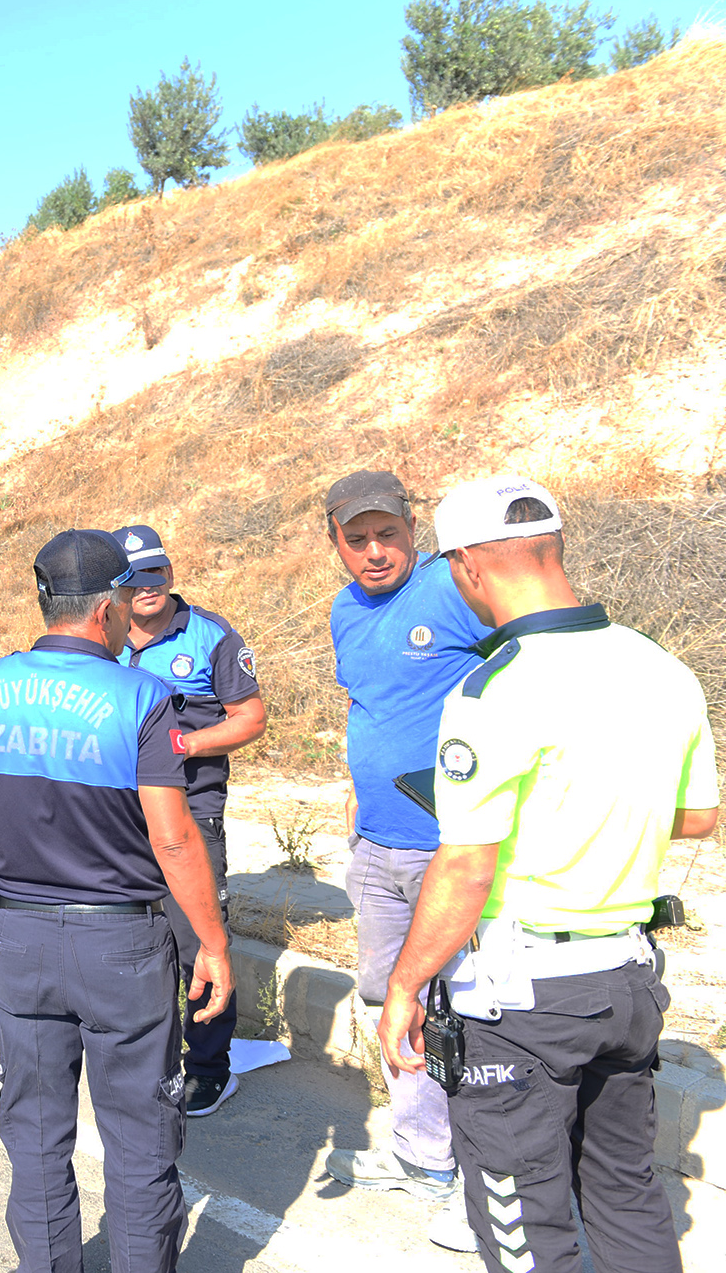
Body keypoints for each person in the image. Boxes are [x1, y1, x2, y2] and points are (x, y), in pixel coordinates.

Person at [378, 475, 714, 1273]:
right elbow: (696, 815)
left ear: (467, 568)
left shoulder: (494, 687)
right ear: (552, 547)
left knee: (523, 1220)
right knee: (628, 1192)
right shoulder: (660, 666)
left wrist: (403, 989)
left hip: (524, 998)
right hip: (627, 979)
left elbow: (464, 865)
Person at [0, 528, 233, 1273]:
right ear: (107, 611)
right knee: (139, 1145)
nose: (133, 613)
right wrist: (214, 943)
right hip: (121, 949)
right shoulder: (143, 698)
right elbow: (176, 839)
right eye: (128, 598)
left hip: (21, 942)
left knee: (33, 1141)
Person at [320, 470, 490, 1250]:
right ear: (337, 544)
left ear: (412, 529)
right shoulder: (344, 612)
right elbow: (368, 700)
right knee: (393, 1002)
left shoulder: (453, 588)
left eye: (387, 533)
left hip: (454, 849)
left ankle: (487, 1181)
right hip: (377, 848)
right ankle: (425, 1156)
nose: (375, 551)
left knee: (474, 1015)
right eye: (357, 539)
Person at [112, 524, 265, 1116]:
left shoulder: (210, 635)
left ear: (170, 575)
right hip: (121, 812)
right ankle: (150, 1059)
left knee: (199, 940)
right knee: (132, 941)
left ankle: (208, 1068)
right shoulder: (106, 631)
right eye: (130, 578)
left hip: (191, 809)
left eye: (154, 573)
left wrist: (182, 745)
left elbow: (249, 719)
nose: (144, 587)